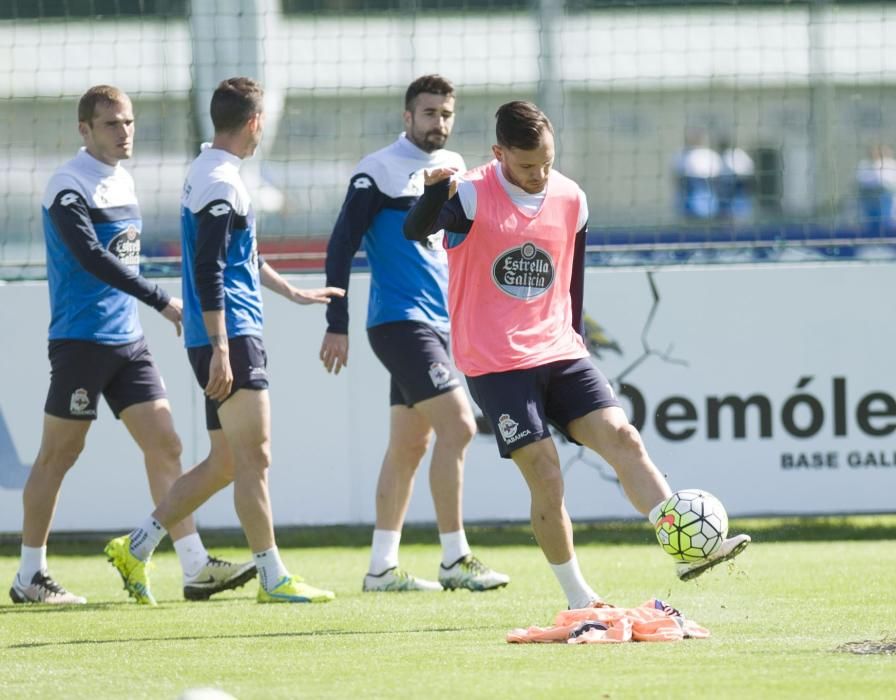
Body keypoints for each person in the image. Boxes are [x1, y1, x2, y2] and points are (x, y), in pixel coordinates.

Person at [404, 101, 750, 608]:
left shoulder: (571, 197)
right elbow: (417, 230)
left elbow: (572, 280)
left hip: (561, 350)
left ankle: (688, 548)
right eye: (526, 166)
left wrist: (577, 344)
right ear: (499, 154)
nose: (539, 174)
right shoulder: (472, 194)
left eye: (546, 162)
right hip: (497, 363)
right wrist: (436, 191)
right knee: (545, 471)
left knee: (624, 437)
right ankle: (579, 597)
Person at [9, 85, 253, 605]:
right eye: (112, 124)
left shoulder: (123, 181)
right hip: (81, 342)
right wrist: (165, 302)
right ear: (85, 130)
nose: (125, 133)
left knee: (166, 444)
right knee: (59, 453)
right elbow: (94, 257)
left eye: (129, 123)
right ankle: (31, 574)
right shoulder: (66, 186)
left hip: (129, 343)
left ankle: (193, 567)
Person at [105, 77, 343, 605]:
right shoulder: (221, 182)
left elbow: (241, 255)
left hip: (224, 333)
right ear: (255, 122)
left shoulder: (211, 171)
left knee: (227, 463)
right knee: (256, 457)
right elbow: (210, 269)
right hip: (228, 334)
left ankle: (136, 545)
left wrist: (292, 293)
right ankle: (273, 576)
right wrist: (218, 347)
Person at [320, 74, 508, 593]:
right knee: (461, 428)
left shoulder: (454, 170)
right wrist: (336, 322)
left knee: (409, 445)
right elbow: (341, 245)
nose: (439, 123)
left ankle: (381, 567)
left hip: (441, 324)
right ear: (408, 117)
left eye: (446, 113)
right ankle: (455, 558)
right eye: (429, 113)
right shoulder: (378, 171)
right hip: (400, 323)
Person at [673, 127, 722, 220]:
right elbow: (676, 179)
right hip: (687, 199)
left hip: (708, 199)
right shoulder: (680, 155)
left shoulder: (710, 154)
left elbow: (717, 180)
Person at [855, 144, 896, 233]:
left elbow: (887, 181)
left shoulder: (891, 164)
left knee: (886, 221)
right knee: (871, 222)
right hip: (869, 199)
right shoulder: (864, 164)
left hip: (886, 197)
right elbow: (862, 180)